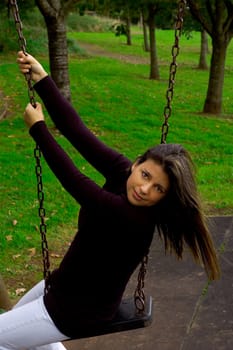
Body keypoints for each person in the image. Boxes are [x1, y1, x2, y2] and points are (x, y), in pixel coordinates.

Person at [0, 52, 220, 350]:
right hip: (63, 289)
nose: (145, 189)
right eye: (145, 175)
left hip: (76, 312)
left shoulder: (133, 218)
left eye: (158, 189)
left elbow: (76, 181)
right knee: (14, 326)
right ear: (137, 163)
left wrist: (38, 130)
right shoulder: (122, 171)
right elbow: (78, 132)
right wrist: (42, 79)